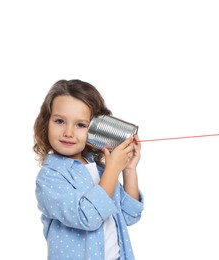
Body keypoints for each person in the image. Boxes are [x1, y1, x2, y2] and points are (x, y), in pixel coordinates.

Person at [33, 79, 144, 260]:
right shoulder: (50, 177)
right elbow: (87, 217)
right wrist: (113, 170)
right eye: (60, 121)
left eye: (81, 125)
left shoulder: (100, 169)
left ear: (95, 129)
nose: (68, 132)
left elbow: (129, 216)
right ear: (46, 123)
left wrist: (128, 170)